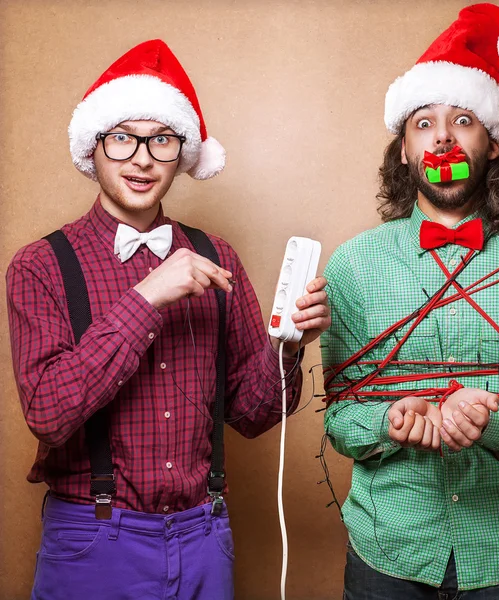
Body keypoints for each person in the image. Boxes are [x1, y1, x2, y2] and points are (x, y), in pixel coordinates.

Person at [6, 39, 330, 600]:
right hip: (92, 538)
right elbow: (48, 413)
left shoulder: (219, 255)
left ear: (181, 152)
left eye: (161, 139)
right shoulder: (41, 265)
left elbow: (252, 415)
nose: (141, 158)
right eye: (122, 138)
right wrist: (146, 297)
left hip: (205, 535)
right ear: (94, 148)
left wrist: (290, 342)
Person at [321, 4, 499, 599]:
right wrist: (389, 423)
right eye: (424, 123)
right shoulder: (352, 266)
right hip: (387, 547)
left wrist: (495, 421)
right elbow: (340, 419)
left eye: (463, 118)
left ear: (491, 143)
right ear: (406, 150)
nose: (442, 135)